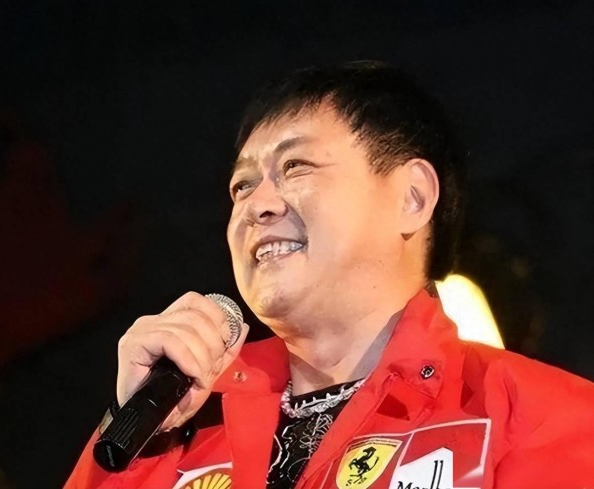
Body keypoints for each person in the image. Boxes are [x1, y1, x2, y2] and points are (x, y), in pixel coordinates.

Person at [65, 62, 594, 489]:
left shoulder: (541, 416)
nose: (256, 206)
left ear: (412, 198)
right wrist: (133, 435)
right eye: (241, 186)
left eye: (295, 167)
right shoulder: (184, 428)